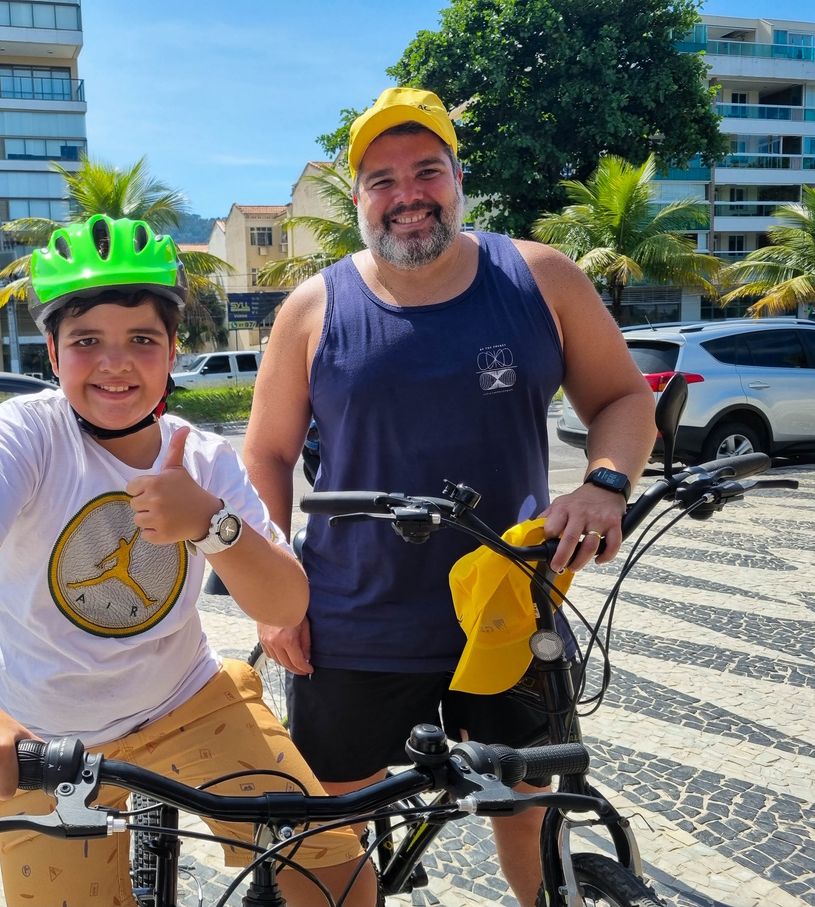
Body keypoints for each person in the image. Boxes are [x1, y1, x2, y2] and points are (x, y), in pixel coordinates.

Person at [242, 87, 657, 907]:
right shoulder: (313, 307)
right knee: (332, 835)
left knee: (529, 816)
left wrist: (605, 483)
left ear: (459, 179)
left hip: (511, 609)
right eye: (382, 179)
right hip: (353, 622)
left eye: (427, 170)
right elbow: (266, 451)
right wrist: (271, 595)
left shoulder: (540, 277)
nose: (408, 195)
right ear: (358, 199)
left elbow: (623, 397)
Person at [0, 214, 376, 907]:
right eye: (86, 341)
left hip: (185, 697)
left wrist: (210, 524)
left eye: (142, 339)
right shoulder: (29, 431)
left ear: (172, 350)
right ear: (52, 351)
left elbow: (286, 603)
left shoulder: (204, 458)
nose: (115, 362)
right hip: (44, 734)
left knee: (336, 871)